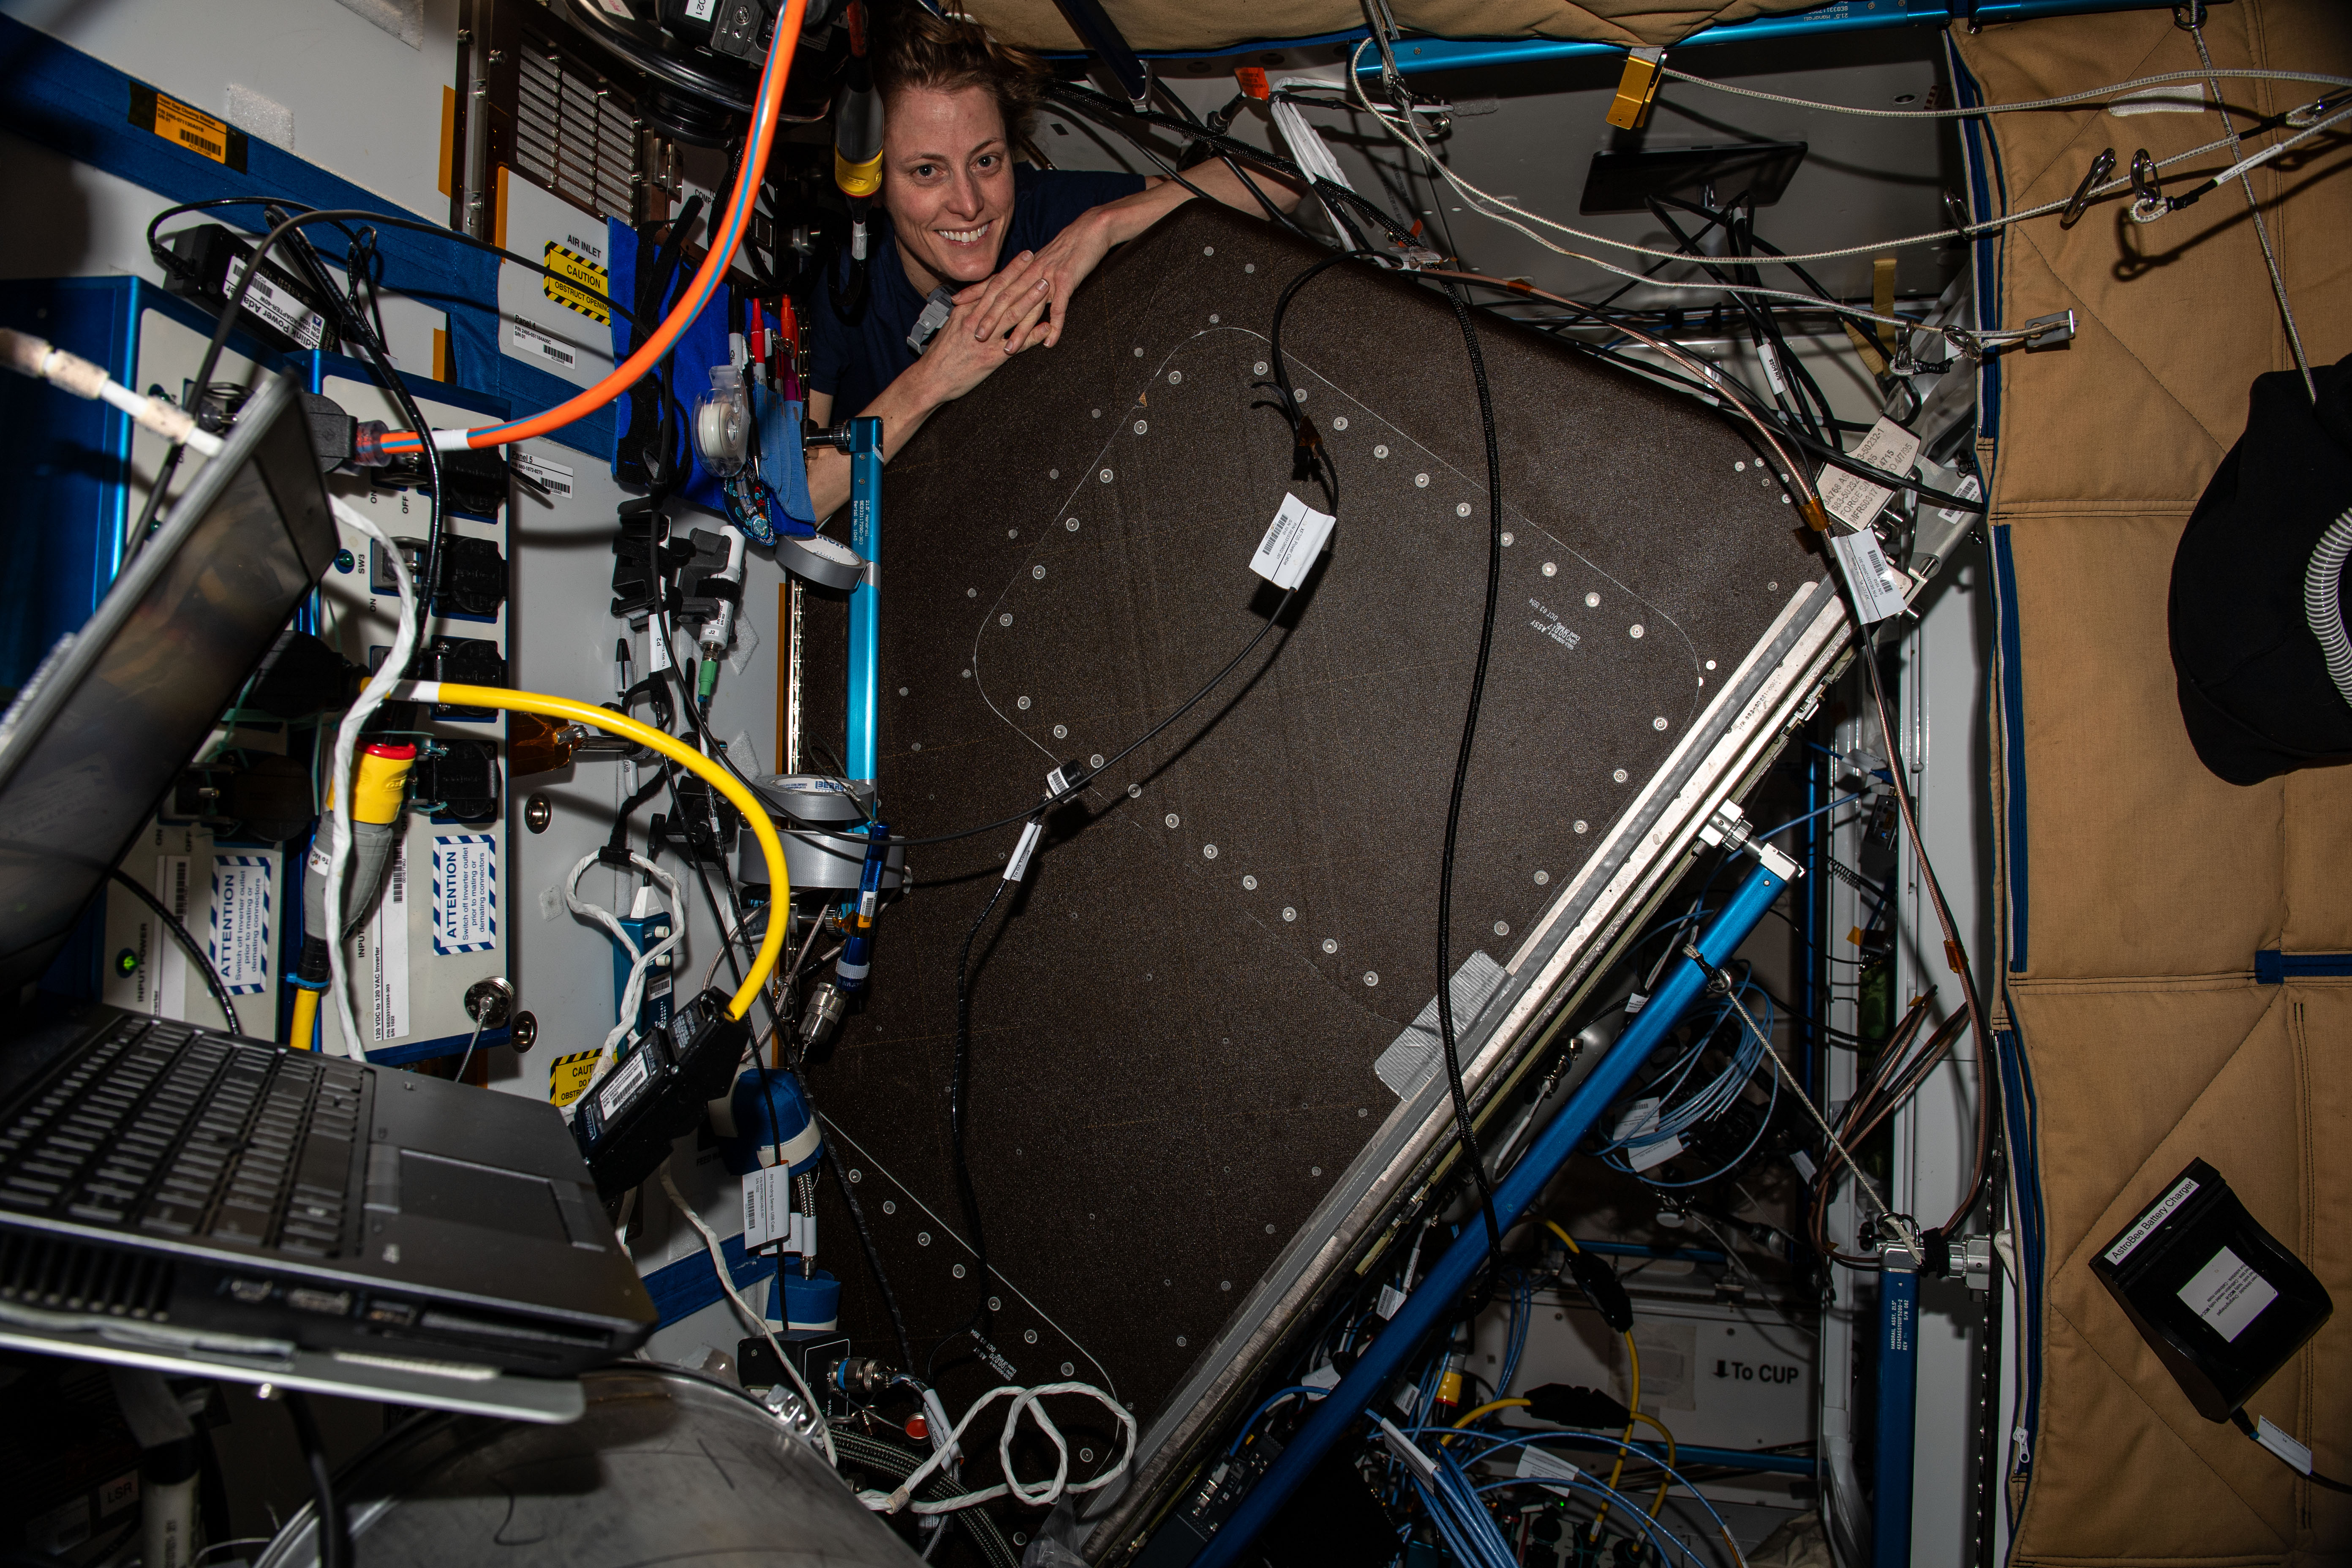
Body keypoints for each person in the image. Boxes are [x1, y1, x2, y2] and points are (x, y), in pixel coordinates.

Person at [803, 5, 1301, 519]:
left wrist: (1100, 227)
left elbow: (1281, 184)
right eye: (928, 171)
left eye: (986, 161)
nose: (970, 203)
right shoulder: (846, 280)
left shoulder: (1041, 214)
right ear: (876, 185)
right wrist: (933, 380)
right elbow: (797, 503)